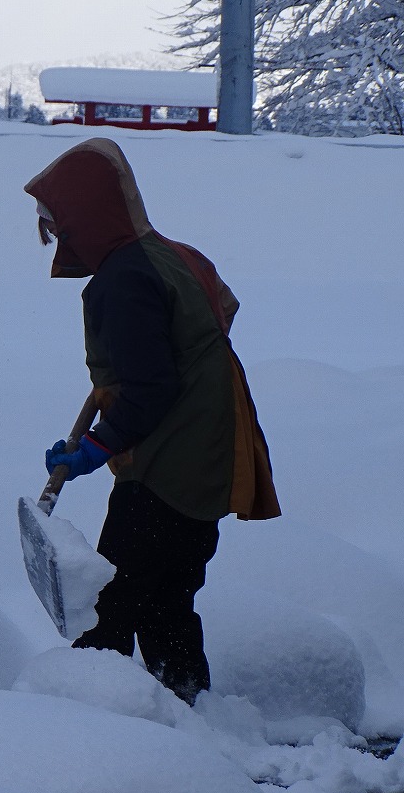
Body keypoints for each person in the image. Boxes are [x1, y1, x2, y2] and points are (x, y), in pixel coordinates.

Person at [24, 138, 280, 705]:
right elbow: (219, 314)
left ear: (88, 215)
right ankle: (192, 712)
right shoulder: (174, 254)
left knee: (108, 605)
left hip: (168, 469)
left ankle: (94, 728)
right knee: (168, 600)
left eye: (58, 226)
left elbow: (152, 388)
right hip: (208, 459)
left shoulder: (124, 280)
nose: (57, 241)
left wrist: (94, 447)